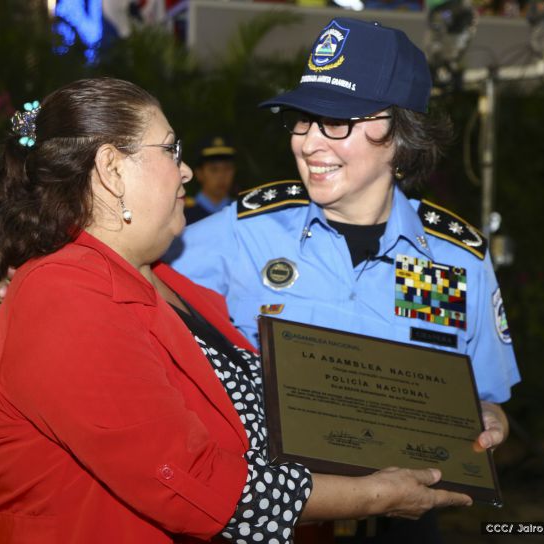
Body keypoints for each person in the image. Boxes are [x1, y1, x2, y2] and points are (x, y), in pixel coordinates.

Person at [0, 77, 472, 544]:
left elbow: (286, 392)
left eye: (341, 124)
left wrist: (456, 416)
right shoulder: (72, 293)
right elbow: (191, 482)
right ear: (112, 170)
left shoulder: (166, 275)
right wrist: (377, 496)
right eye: (171, 149)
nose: (186, 168)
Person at [168, 17, 519, 542]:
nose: (309, 143)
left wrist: (490, 420)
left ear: (401, 135)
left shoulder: (454, 259)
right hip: (279, 520)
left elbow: (485, 396)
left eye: (338, 122)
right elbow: (126, 281)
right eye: (302, 120)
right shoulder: (245, 231)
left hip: (405, 524)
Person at [184, 135, 237, 225]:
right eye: (214, 170)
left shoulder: (239, 211)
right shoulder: (184, 213)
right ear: (199, 174)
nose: (221, 175)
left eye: (227, 169)